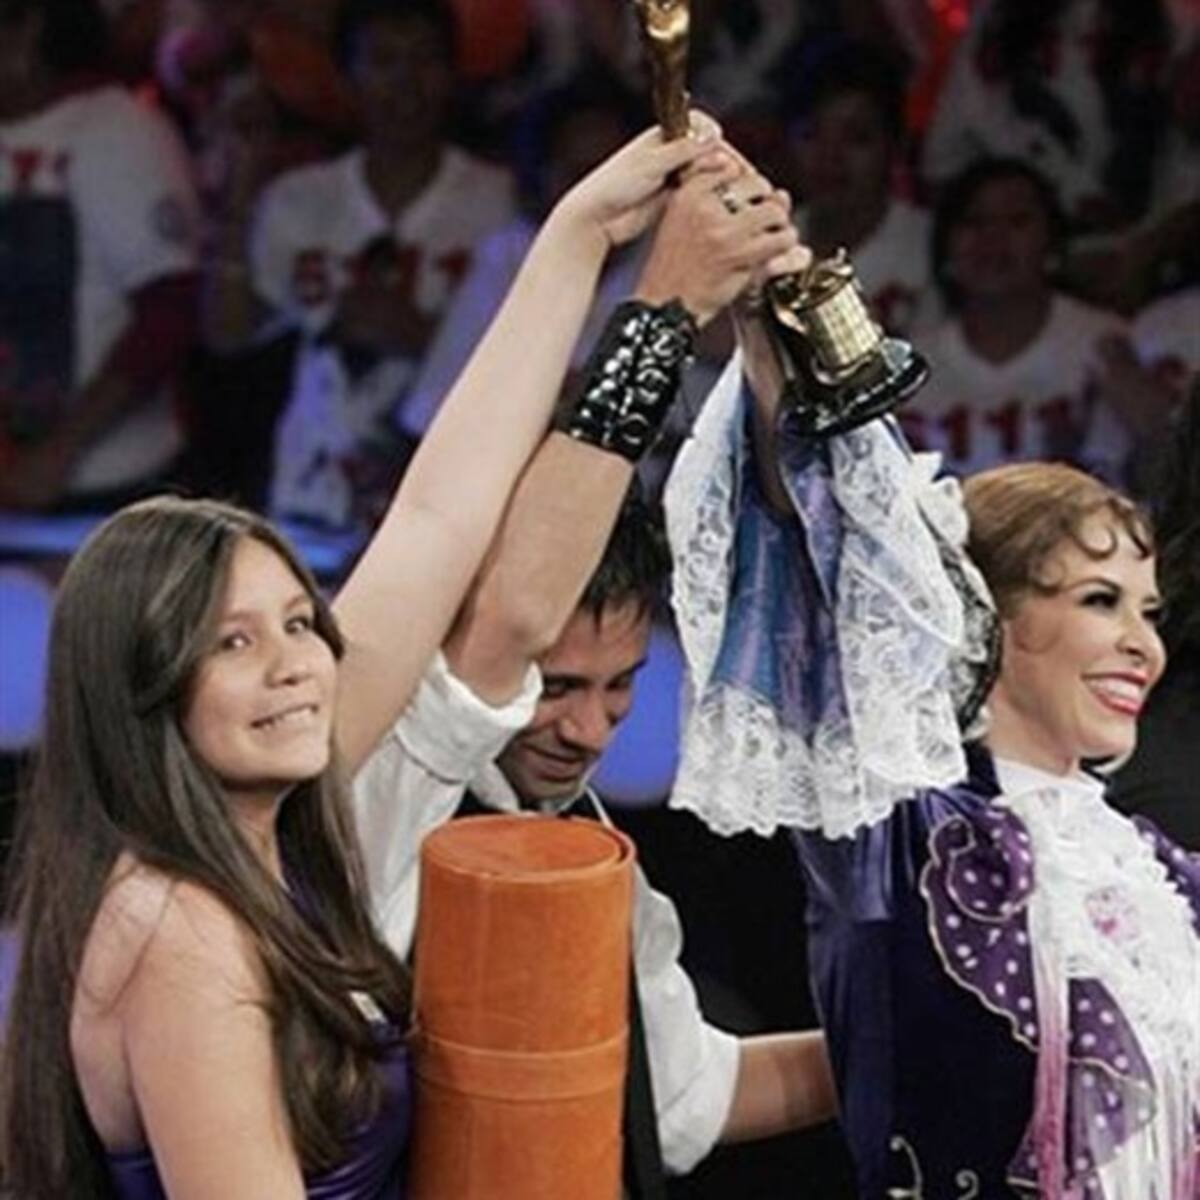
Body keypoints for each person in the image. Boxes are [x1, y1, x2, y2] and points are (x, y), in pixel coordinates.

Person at [0, 116, 755, 1197]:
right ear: (145, 692)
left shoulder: (275, 831)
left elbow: (440, 512)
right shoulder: (178, 927)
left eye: (299, 623)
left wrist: (579, 236)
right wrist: (663, 309)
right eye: (235, 641)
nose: (296, 663)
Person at [661, 287, 1200, 1196]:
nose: (1142, 645)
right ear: (991, 620)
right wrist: (773, 324)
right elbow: (817, 546)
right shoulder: (903, 836)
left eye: (1148, 612)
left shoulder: (1165, 873)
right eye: (1100, 601)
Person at [353, 495, 837, 1178]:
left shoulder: (585, 837)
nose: (590, 732)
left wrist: (914, 1046)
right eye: (556, 687)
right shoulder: (376, 798)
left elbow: (679, 1098)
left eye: (619, 685)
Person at [206, 0, 517, 531]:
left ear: (451, 74)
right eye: (383, 61)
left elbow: (536, 367)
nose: (405, 83)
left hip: (449, 504)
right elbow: (228, 334)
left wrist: (424, 336)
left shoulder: (500, 201)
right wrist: (240, 188)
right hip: (310, 493)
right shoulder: (299, 198)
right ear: (347, 77)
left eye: (424, 60)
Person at [0, 0, 202, 511]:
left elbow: (169, 309)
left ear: (26, 27)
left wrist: (60, 450)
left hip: (106, 491)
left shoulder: (116, 127)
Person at [901, 157, 1131, 482]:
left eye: (1017, 221)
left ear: (1052, 240)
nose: (992, 239)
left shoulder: (1104, 344)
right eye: (974, 221)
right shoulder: (909, 365)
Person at [783, 39, 933, 336]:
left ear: (894, 146)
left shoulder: (930, 248)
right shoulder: (765, 247)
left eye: (856, 137)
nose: (830, 157)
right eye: (812, 134)